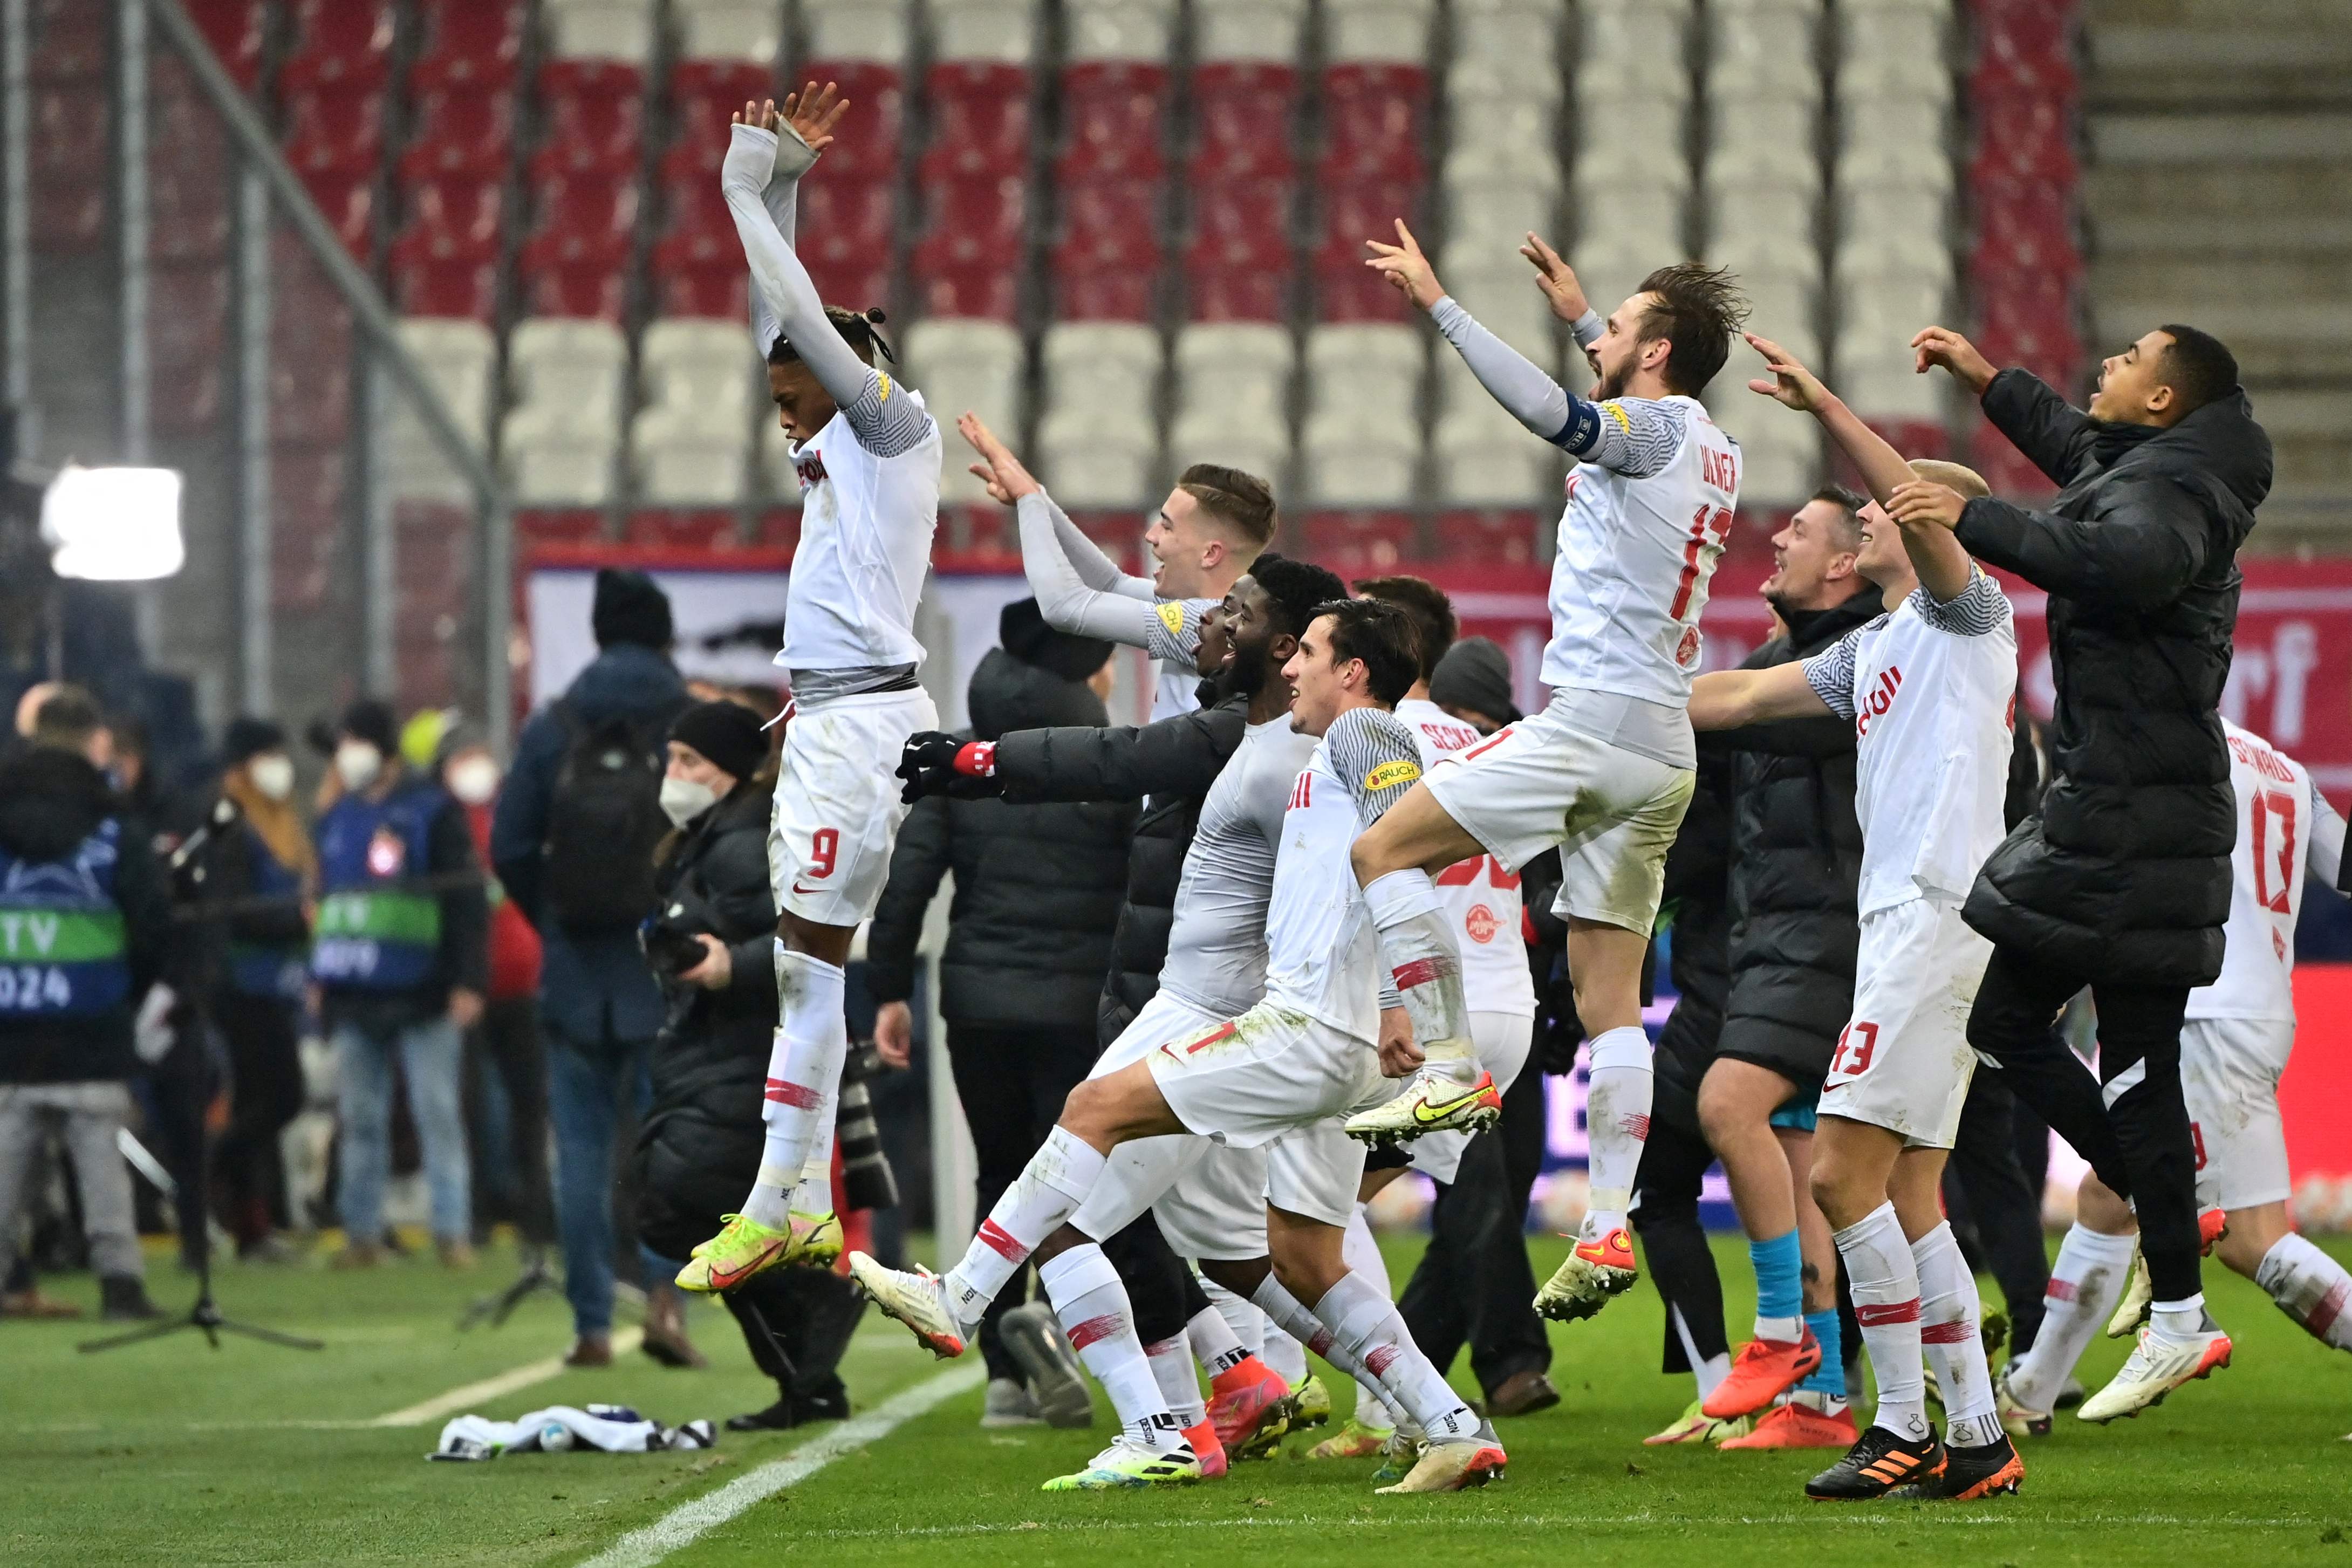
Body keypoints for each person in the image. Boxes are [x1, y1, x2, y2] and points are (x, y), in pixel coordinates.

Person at [860, 601, 1513, 1496]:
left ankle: (968, 1297)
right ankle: (1445, 1422)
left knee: (1091, 1116)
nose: (1293, 668)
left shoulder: (1364, 732)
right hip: (1332, 1034)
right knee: (1302, 1255)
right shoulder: (1316, 754)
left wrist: (1430, 1027)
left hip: (1307, 1029)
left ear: (1354, 672)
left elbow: (1404, 873)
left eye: (1312, 653)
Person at [1346, 225, 1747, 1336]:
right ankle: (1606, 1221)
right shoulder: (1714, 446)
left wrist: (1437, 300)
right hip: (1661, 745)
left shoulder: (1645, 427)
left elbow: (1556, 417)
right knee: (1609, 996)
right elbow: (1620, 400)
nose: (1594, 342)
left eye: (1614, 330)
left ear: (1655, 354)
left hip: (1588, 727)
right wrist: (1585, 317)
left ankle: (1445, 1062)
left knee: (1380, 847)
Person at [887, 552, 1348, 1476]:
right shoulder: (1265, 734)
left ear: (1298, 646)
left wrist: (976, 761)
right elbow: (1095, 621)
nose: (1213, 624)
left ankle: (1012, 1324)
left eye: (1236, 611)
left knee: (1115, 1200)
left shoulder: (1256, 742)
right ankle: (1263, 1393)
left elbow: (1116, 754)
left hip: (1216, 1014)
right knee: (1135, 1213)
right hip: (1182, 1004)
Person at [1911, 318, 2270, 1421]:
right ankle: (2174, 1284)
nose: (2102, 364)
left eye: (2123, 360)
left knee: (2022, 1029)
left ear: (2160, 404)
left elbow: (2126, 558)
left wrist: (1968, 517)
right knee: (2125, 1063)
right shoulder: (2161, 468)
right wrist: (1991, 385)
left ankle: (2172, 1261)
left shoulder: (2165, 501)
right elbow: (2081, 457)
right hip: (2140, 813)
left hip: (2127, 819)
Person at [1688, 332, 2021, 1502]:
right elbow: (1729, 697)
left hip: (1930, 916)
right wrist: (1591, 714)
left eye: (1888, 509)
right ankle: (1972, 1436)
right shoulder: (1876, 648)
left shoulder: (1967, 617)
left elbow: (1911, 508)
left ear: (1929, 524)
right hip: (1912, 924)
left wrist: (1824, 401)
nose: (1868, 518)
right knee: (1906, 1188)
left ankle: (1894, 1423)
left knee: (1836, 1175)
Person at [681, 85, 946, 1293]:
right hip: (838, 716)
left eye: (792, 392)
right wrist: (782, 178)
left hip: (861, 720)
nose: (779, 412)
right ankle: (788, 1199)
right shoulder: (832, 445)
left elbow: (790, 313)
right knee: (807, 962)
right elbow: (776, 318)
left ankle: (784, 1199)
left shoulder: (895, 433)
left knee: (808, 959)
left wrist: (746, 188)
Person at [1998, 718, 2352, 1435]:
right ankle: (2032, 1387)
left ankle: (2033, 1388)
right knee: (2164, 1204)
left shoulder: (2154, 745)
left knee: (2179, 1211)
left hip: (2199, 1005)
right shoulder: (2284, 766)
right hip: (2261, 1006)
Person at [864, 599, 1134, 1427]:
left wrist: (885, 992)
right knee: (1085, 1184)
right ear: (1085, 674)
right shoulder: (1110, 764)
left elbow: (909, 884)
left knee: (999, 1170)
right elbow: (1142, 889)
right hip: (1080, 1006)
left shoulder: (966, 766)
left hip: (977, 1002)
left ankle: (1003, 1379)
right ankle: (1074, 1338)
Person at [1688, 487, 1884, 1448]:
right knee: (1815, 1166)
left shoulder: (1869, 656)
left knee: (1730, 1107)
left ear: (1845, 562)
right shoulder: (1773, 664)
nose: (1776, 540)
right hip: (1774, 936)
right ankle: (1825, 1399)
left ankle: (1780, 1338)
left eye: (1799, 532)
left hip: (1837, 932)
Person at [1342, 576, 1553, 1440]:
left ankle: (1384, 1406)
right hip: (1510, 1006)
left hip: (1434, 1010)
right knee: (1469, 1204)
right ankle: (1490, 1370)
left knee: (1318, 1200)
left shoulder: (1370, 742)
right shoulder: (1486, 741)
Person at [635, 700, 871, 1428]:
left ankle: (819, 1315)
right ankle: (808, 1382)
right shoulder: (711, 836)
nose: (674, 775)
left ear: (731, 770)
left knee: (675, 1205)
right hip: (715, 1058)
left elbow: (802, 949)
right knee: (698, 1218)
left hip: (739, 1058)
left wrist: (724, 967)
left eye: (690, 761)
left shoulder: (739, 845)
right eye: (671, 758)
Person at [492, 567, 687, 1363]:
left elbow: (508, 844)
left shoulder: (554, 724)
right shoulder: (689, 717)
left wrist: (555, 919)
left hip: (575, 968)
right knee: (665, 1141)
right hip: (667, 966)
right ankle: (667, 1301)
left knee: (577, 1151)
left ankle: (591, 1324)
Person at [0, 688, 174, 1319]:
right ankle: (120, 1284)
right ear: (91, 741)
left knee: (6, 1158)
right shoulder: (111, 823)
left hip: (10, 1020)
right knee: (100, 1160)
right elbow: (153, 923)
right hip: (91, 1019)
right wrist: (133, 991)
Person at [312, 698, 487, 1270]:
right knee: (360, 1117)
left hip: (425, 988)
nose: (343, 756)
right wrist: (322, 975)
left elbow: (466, 900)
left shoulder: (433, 811)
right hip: (354, 988)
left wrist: (467, 979)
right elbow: (326, 902)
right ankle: (361, 1233)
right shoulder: (336, 815)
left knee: (436, 1111)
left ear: (380, 748)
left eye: (350, 743)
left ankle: (452, 1232)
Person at [972, 410, 1277, 722]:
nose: (1151, 536)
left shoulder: (1201, 623)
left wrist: (1030, 501)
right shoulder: (1205, 610)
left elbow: (1064, 608)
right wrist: (1037, 497)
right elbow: (1111, 584)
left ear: (1211, 554)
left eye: (1168, 527)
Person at [434, 727, 554, 1272]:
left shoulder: (513, 814)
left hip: (523, 981)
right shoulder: (443, 824)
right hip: (471, 990)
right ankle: (480, 1211)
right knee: (471, 1107)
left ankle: (536, 1211)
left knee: (531, 1104)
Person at [206, 718, 315, 1261]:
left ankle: (252, 1224)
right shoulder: (229, 821)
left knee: (258, 1100)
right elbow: (236, 911)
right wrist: (300, 923)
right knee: (281, 1097)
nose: (280, 766)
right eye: (267, 755)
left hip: (273, 983)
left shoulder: (280, 822)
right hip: (240, 984)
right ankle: (210, 1170)